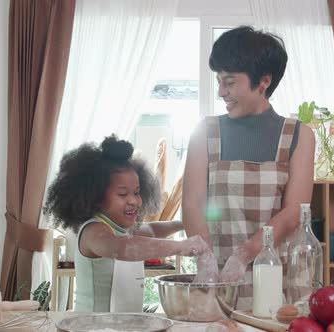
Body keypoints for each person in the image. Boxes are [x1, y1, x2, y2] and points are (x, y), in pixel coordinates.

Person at [182, 26, 315, 309]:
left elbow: (294, 212)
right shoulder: (204, 132)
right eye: (218, 81)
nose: (221, 92)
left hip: (277, 275)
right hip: (217, 277)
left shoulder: (299, 136)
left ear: (264, 81)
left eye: (229, 82)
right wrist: (207, 263)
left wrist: (244, 254)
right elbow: (193, 205)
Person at [45, 134, 208, 313]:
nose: (133, 201)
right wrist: (180, 247)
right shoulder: (93, 231)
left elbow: (152, 230)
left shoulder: (122, 230)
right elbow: (122, 248)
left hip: (124, 324)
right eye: (123, 194)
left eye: (137, 192)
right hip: (92, 327)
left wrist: (185, 222)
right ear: (96, 196)